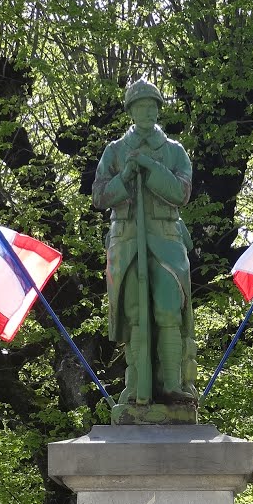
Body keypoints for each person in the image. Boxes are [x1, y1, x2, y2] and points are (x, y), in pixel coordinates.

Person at [93, 79, 197, 406]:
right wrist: (124, 176)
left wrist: (151, 166)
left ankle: (173, 385)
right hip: (126, 241)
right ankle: (137, 387)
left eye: (152, 106)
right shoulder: (115, 150)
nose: (147, 112)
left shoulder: (174, 151)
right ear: (130, 111)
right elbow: (99, 196)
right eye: (140, 107)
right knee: (136, 314)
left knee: (169, 310)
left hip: (166, 240)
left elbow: (180, 193)